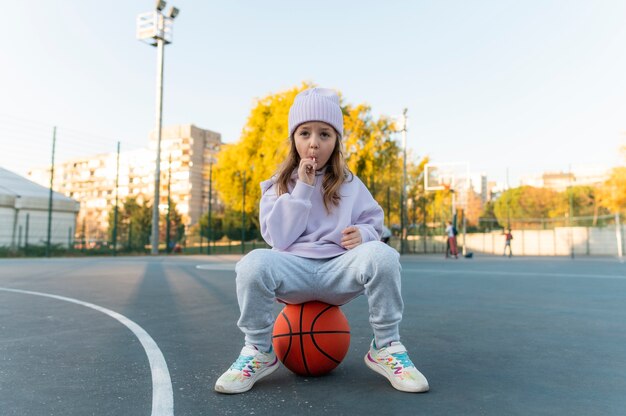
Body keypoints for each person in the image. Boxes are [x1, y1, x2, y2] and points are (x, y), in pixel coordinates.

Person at [214, 88, 429, 394]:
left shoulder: (351, 183)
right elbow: (279, 238)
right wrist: (302, 188)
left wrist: (365, 234)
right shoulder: (276, 185)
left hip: (337, 269)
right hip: (294, 270)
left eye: (325, 134)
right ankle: (258, 350)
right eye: (305, 133)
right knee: (252, 264)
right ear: (294, 139)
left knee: (383, 256)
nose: (314, 142)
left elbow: (374, 223)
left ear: (336, 141)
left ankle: (387, 346)